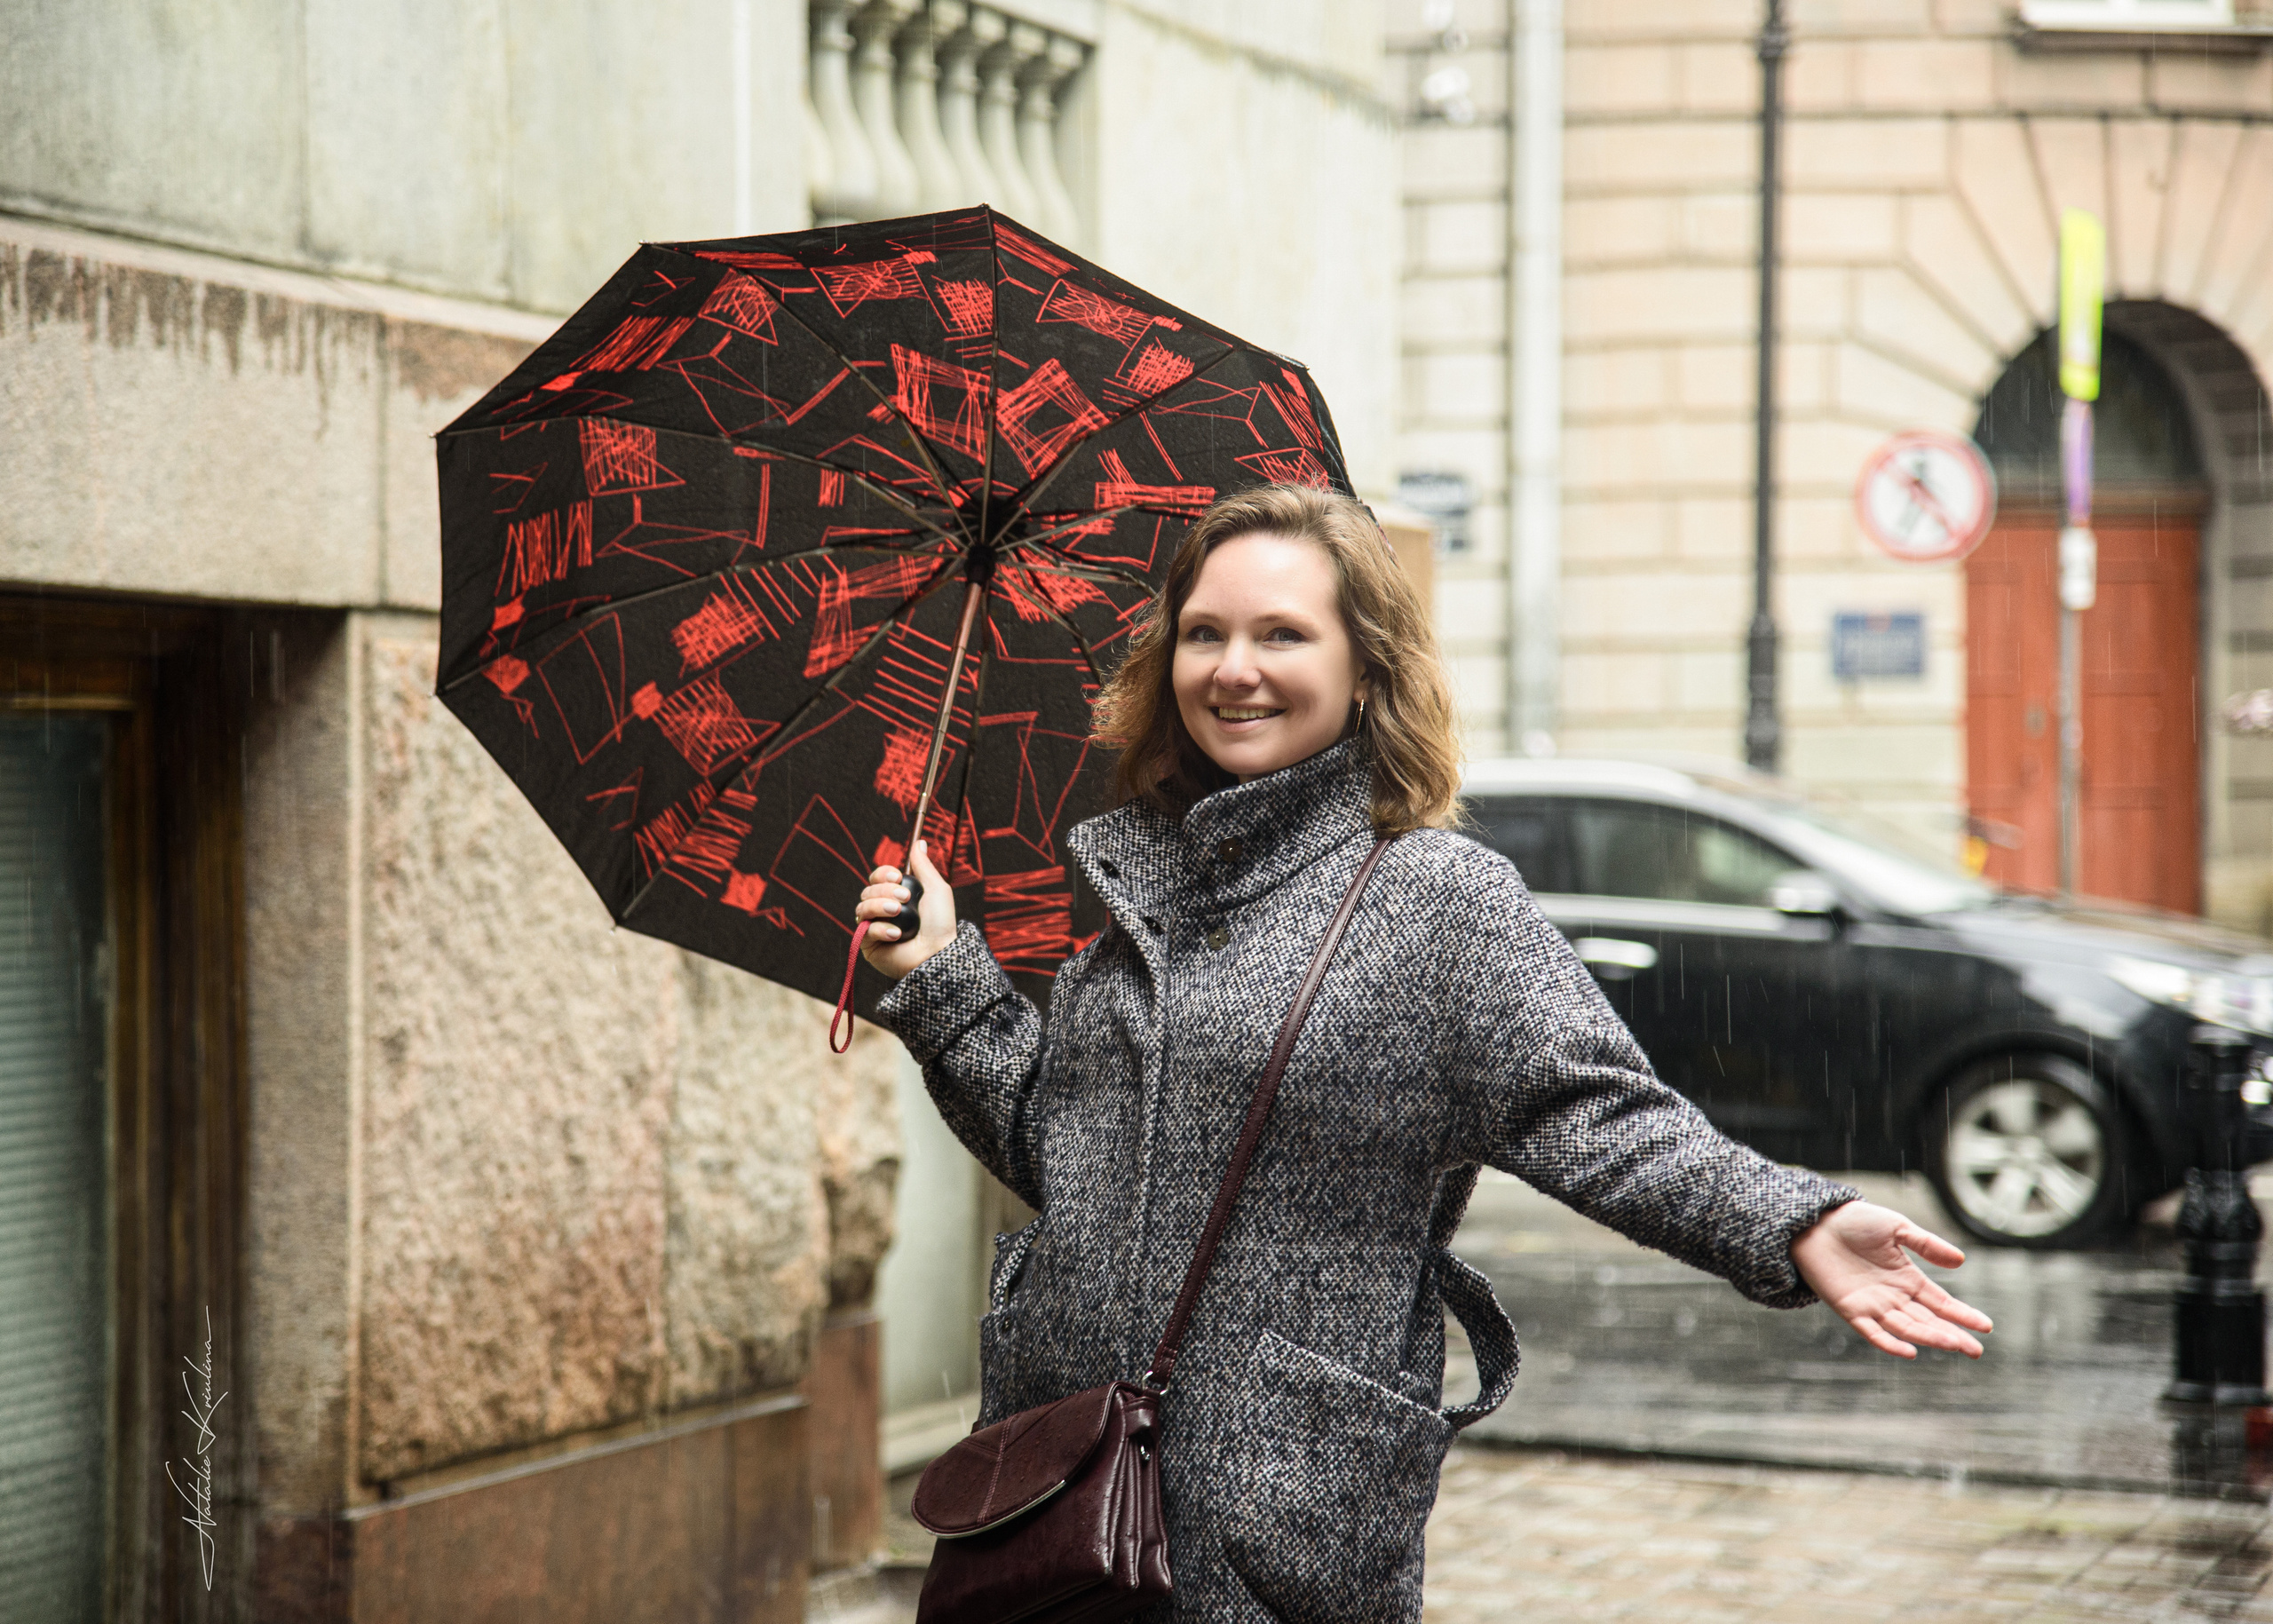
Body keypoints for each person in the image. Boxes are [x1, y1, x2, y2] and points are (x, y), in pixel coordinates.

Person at [853, 483, 1991, 1624]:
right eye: (1204, 633)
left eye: (1282, 634)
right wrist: (943, 981)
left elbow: (1600, 1117)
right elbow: (1068, 1161)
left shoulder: (1435, 897)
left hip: (1273, 1507)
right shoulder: (1147, 889)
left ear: (1366, 668)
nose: (1234, 669)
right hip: (1060, 1487)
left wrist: (1788, 1220)